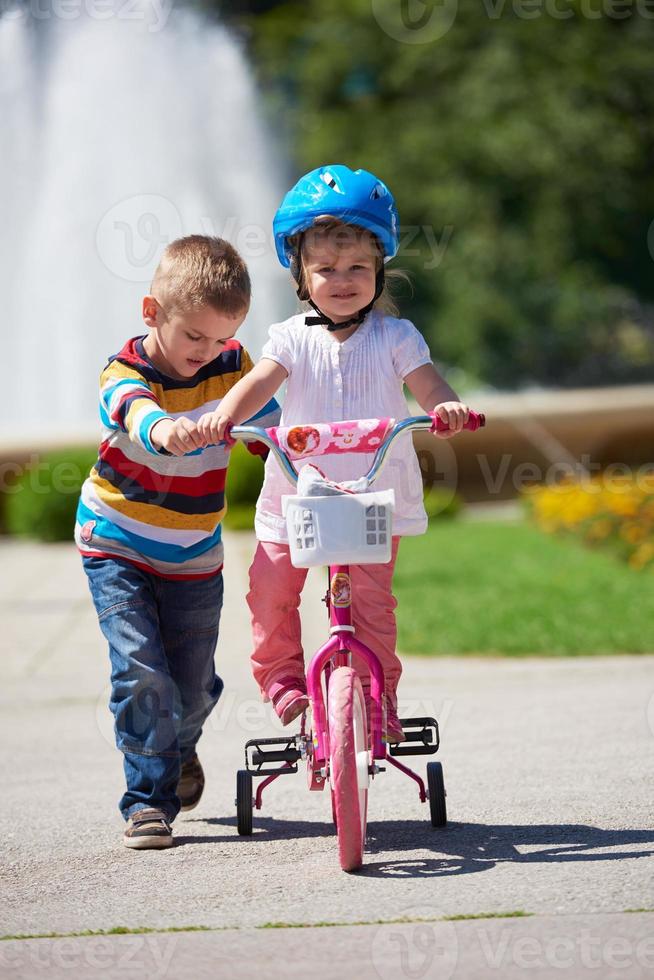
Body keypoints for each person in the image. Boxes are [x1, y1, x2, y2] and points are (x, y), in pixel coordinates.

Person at [197, 165, 469, 743]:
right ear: (300, 274)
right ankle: (284, 683)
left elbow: (429, 386)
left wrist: (447, 409)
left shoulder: (397, 338)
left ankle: (378, 699)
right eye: (326, 269)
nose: (342, 279)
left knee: (372, 605)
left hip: (373, 496)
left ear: (380, 270)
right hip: (296, 495)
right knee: (271, 590)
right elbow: (259, 384)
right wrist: (226, 414)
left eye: (357, 268)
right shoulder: (290, 338)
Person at [76, 235, 279, 849]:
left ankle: (177, 746)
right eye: (194, 337)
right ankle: (146, 802)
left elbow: (270, 423)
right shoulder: (125, 371)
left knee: (190, 687)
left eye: (221, 338)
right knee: (143, 672)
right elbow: (135, 412)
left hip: (195, 552)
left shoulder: (234, 364)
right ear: (152, 313)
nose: (208, 352)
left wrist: (282, 438)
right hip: (119, 540)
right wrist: (167, 430)